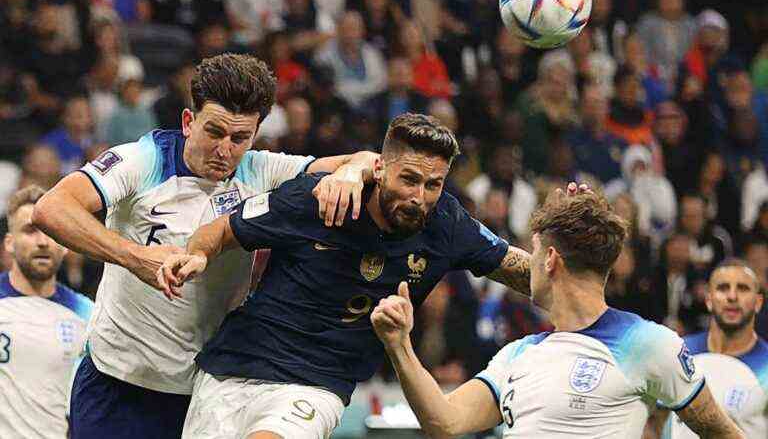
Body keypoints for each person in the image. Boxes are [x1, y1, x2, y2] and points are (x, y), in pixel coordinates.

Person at [32, 53, 377, 439]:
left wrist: (352, 170)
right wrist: (134, 257)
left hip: (207, 392)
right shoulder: (142, 160)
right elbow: (50, 208)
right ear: (187, 122)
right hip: (119, 382)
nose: (225, 150)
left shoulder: (260, 169)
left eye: (240, 138)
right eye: (214, 132)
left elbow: (372, 160)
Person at [157, 113, 532, 438]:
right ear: (380, 168)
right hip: (232, 366)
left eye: (433, 185)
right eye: (409, 179)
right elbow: (220, 231)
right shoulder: (317, 198)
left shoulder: (447, 223)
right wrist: (198, 257)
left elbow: (516, 268)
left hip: (316, 383)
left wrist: (577, 268)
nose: (420, 196)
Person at [371, 187, 746, 438]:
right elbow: (445, 422)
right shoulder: (517, 354)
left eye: (533, 252)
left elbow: (723, 433)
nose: (527, 263)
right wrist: (399, 345)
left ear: (549, 258)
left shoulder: (648, 342)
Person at [0, 185, 92, 438]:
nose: (42, 241)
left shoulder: (88, 315)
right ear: (9, 242)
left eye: (52, 232)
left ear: (66, 244)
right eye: (30, 231)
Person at [657, 260, 768, 438]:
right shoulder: (678, 352)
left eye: (743, 288)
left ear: (758, 302)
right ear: (709, 300)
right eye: (723, 288)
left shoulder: (766, 367)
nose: (732, 296)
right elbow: (654, 423)